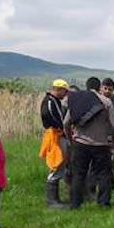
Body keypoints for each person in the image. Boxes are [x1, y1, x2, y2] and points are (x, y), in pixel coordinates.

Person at [64, 77, 114, 209]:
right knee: (104, 174)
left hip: (80, 143)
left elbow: (66, 122)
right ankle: (104, 203)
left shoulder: (77, 100)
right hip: (101, 144)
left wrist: (71, 138)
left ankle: (75, 204)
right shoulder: (106, 102)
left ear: (86, 86)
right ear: (99, 87)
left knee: (78, 174)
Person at [39, 78, 70, 208]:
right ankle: (52, 201)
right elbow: (49, 116)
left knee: (59, 164)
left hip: (57, 135)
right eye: (65, 91)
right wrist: (60, 127)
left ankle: (56, 199)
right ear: (58, 89)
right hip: (54, 136)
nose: (66, 94)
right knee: (56, 163)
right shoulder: (50, 101)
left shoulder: (55, 101)